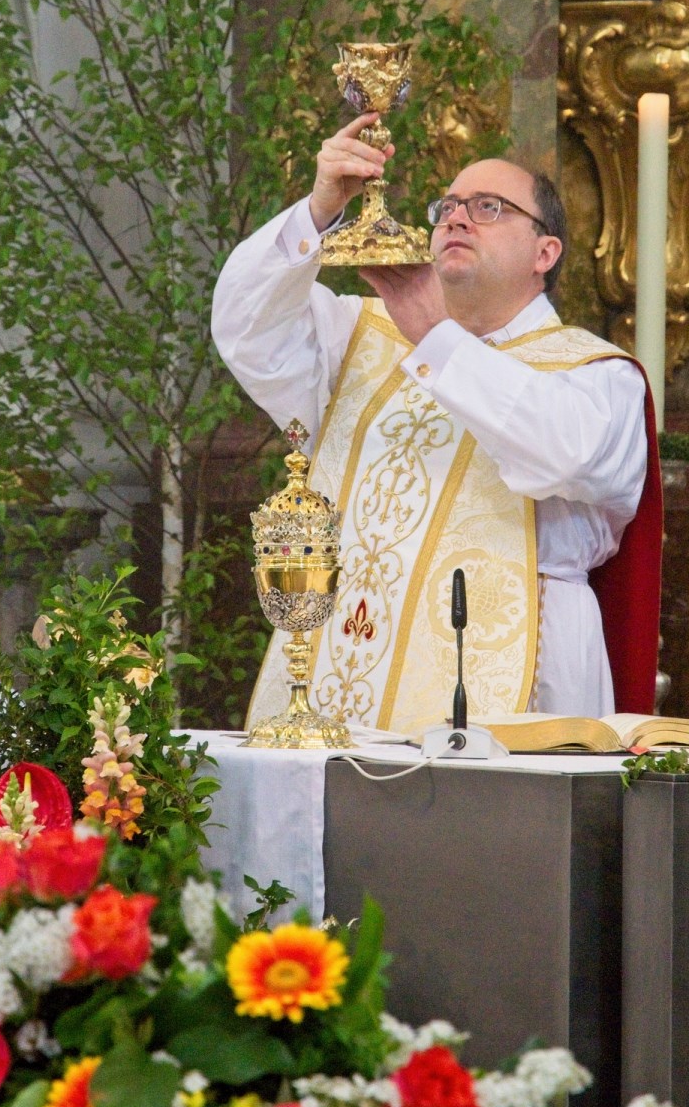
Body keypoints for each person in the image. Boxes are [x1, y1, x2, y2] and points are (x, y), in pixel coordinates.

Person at [212, 113, 662, 737]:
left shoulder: (594, 374)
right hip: (344, 675)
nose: (455, 216)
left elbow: (567, 456)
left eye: (487, 207)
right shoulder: (360, 338)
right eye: (446, 205)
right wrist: (320, 209)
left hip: (520, 684)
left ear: (545, 252)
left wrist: (436, 337)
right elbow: (245, 329)